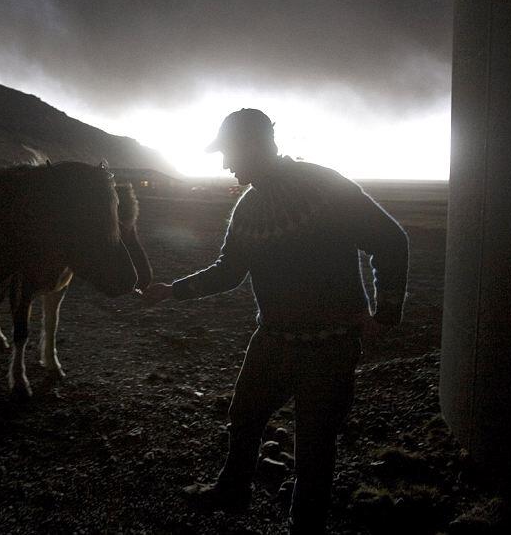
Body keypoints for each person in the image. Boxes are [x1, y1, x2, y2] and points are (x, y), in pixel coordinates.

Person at [142, 108, 408, 534]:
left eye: (229, 152)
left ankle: (304, 526)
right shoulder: (250, 208)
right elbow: (229, 272)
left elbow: (391, 242)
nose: (225, 163)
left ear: (256, 145)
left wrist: (386, 313)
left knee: (315, 445)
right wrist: (174, 290)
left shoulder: (324, 186)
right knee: (245, 415)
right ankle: (234, 490)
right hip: (275, 338)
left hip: (331, 343)